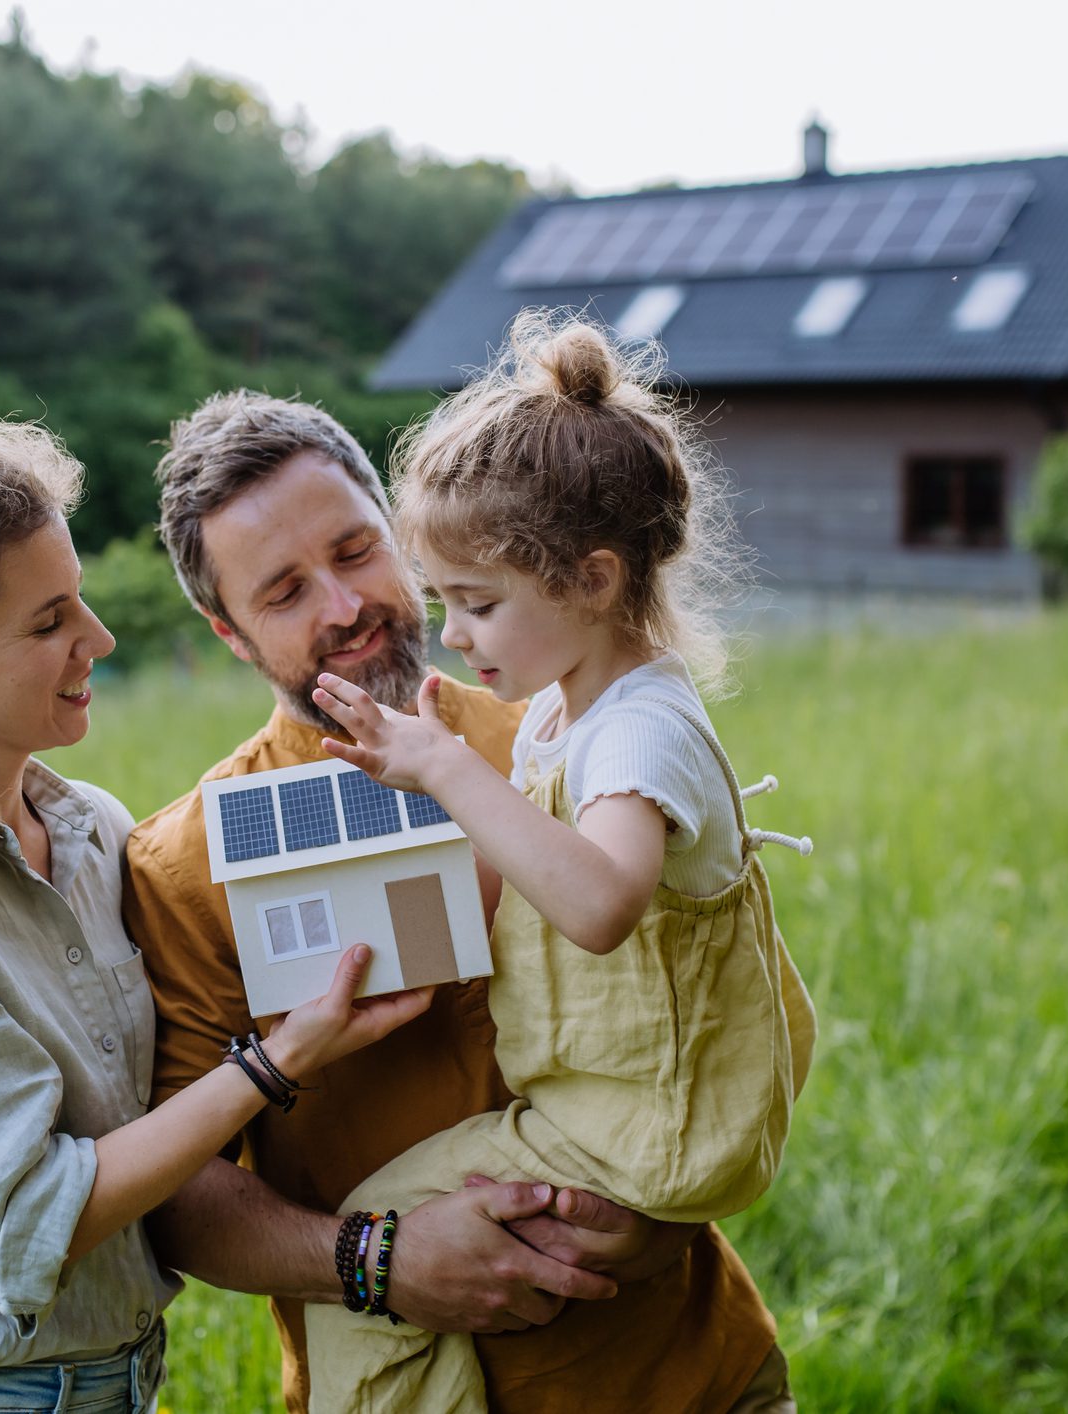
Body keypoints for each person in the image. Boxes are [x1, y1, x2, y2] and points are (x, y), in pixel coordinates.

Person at [0, 405, 428, 1414]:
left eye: (80, 602)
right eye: (48, 623)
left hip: (118, 1384)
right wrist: (276, 1062)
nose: (95, 638)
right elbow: (37, 1212)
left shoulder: (95, 829)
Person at [123, 389, 797, 1412]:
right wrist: (374, 1259)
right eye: (285, 592)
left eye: (355, 552)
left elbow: (709, 998)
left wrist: (657, 1207)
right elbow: (179, 1198)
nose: (343, 607)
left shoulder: (566, 727)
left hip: (690, 1372)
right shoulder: (183, 863)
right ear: (230, 632)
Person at [301, 312, 818, 1412]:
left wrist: (448, 769)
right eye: (444, 601)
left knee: (367, 1256)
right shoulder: (562, 713)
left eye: (479, 604)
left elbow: (596, 906)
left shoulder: (638, 732)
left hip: (646, 1130)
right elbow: (522, 893)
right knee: (387, 1255)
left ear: (591, 579)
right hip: (604, 1110)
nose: (453, 634)